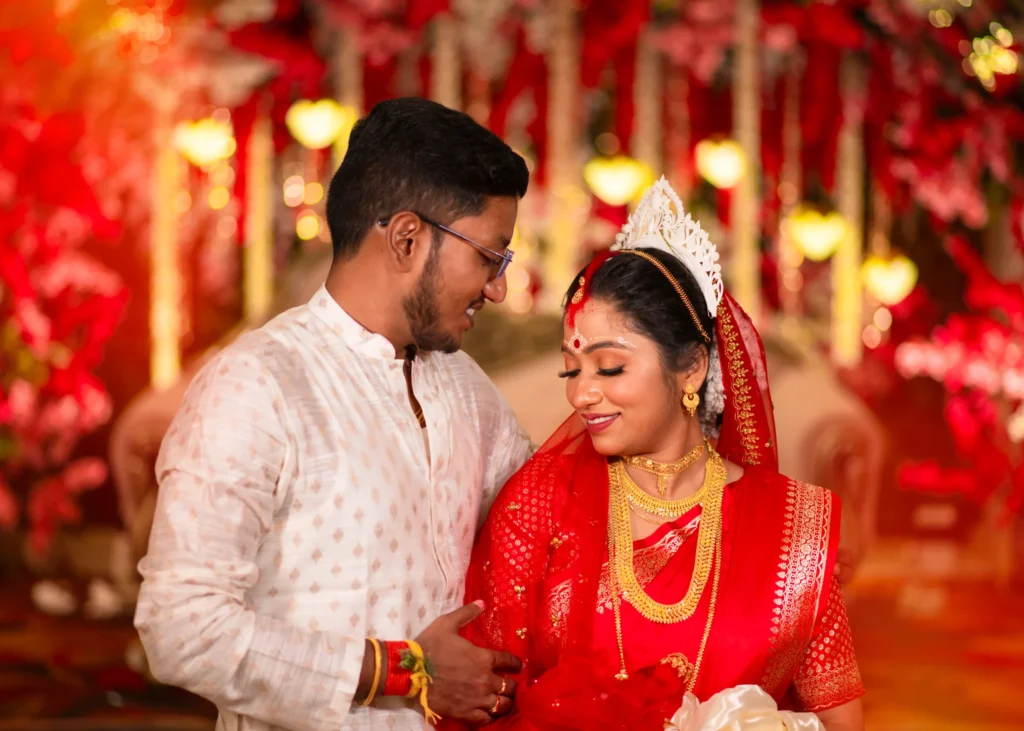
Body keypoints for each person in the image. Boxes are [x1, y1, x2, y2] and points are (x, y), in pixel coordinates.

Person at [134, 98, 534, 731]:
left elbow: (547, 522)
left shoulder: (468, 393)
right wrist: (407, 670)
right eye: (490, 257)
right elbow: (182, 626)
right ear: (408, 238)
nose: (498, 289)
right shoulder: (259, 386)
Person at [455, 179, 866, 731]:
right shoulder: (538, 507)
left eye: (610, 367)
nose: (581, 394)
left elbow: (841, 722)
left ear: (692, 367)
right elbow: (482, 701)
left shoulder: (797, 532)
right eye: (571, 370)